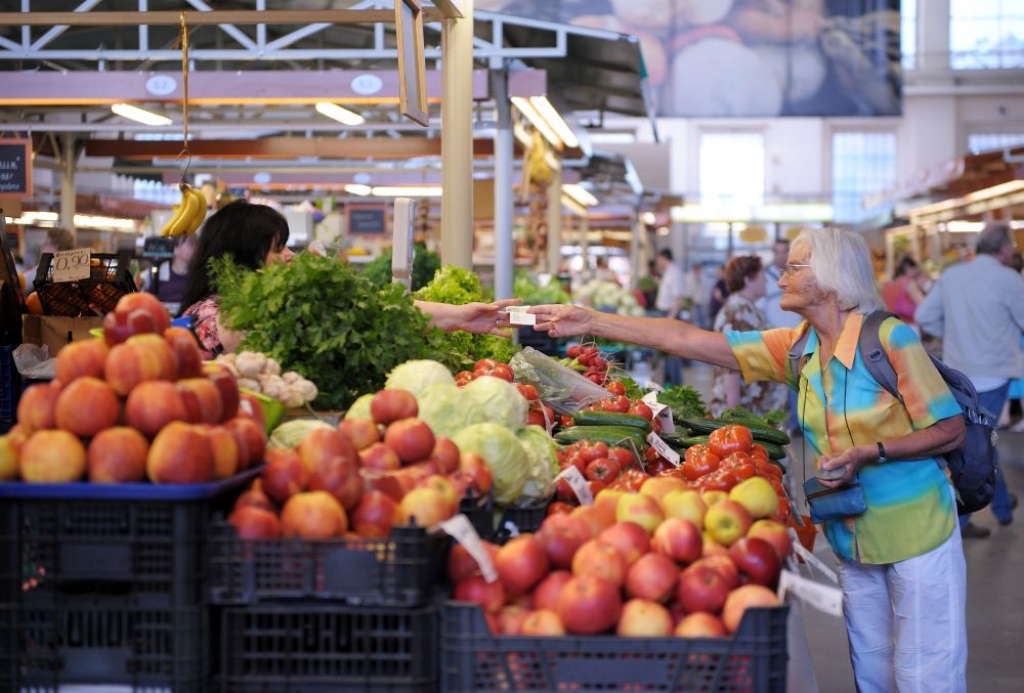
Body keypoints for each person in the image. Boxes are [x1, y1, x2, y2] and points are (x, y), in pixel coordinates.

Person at [530, 227, 968, 692]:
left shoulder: (891, 339)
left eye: (792, 268)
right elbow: (687, 339)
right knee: (873, 672)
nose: (780, 279)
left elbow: (949, 429)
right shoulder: (801, 348)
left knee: (925, 674)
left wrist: (871, 452)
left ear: (830, 276)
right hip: (852, 533)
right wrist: (591, 320)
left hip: (917, 529)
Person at [178, 199, 515, 359]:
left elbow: (376, 311)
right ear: (242, 255)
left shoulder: (281, 306)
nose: (289, 256)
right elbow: (241, 332)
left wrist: (459, 317)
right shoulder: (210, 315)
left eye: (287, 246)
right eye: (278, 249)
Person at [915, 222, 1024, 538]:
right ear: (1003, 249)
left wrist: (952, 334)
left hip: (958, 373)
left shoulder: (952, 275)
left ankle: (1002, 506)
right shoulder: (1009, 279)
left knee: (976, 441)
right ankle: (963, 521)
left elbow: (925, 317)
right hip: (993, 373)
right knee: (977, 446)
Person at [708, 255, 787, 419]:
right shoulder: (738, 313)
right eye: (761, 275)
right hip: (745, 412)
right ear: (748, 279)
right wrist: (735, 417)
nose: (766, 281)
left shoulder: (746, 309)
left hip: (754, 410)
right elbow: (731, 366)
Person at [761, 238, 805, 433]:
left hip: (797, 336)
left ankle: (797, 422)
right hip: (772, 336)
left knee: (797, 380)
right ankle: (777, 422)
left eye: (784, 251)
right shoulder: (764, 276)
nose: (781, 255)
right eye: (777, 251)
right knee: (776, 381)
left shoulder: (800, 274)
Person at [653, 248, 688, 385]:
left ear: (662, 257)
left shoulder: (674, 272)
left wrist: (670, 318)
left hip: (670, 314)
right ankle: (669, 380)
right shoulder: (669, 272)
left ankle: (675, 383)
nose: (657, 261)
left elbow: (678, 297)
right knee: (667, 351)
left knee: (673, 351)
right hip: (666, 313)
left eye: (658, 258)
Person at [143, 234, 197, 314]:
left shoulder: (198, 276)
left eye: (196, 244)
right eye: (191, 243)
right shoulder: (156, 274)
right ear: (175, 249)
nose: (196, 247)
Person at [880, 255, 925, 325]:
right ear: (909, 268)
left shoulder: (886, 285)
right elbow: (922, 303)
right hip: (907, 325)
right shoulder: (909, 282)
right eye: (915, 269)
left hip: (889, 326)